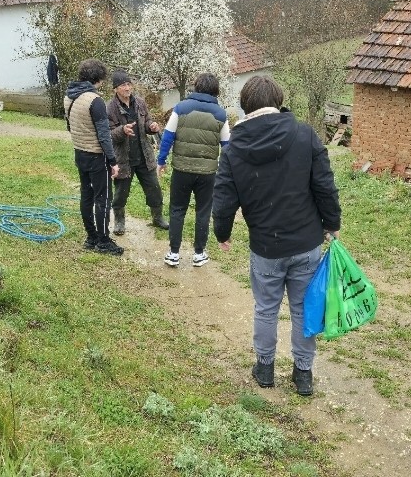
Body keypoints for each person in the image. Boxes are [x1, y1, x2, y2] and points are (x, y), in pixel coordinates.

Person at [212, 76, 341, 396]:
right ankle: (303, 373)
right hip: (306, 242)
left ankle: (265, 368)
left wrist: (222, 232)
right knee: (303, 308)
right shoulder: (304, 135)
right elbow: (324, 185)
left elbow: (224, 197)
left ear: (245, 105)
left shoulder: (234, 148)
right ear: (278, 101)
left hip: (266, 246)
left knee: (266, 309)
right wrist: (332, 223)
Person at [156, 73, 230, 268]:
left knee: (177, 209)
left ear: (196, 87)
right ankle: (199, 253)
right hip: (208, 174)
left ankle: (173, 253)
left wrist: (161, 161)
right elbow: (227, 146)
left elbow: (167, 136)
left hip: (182, 170)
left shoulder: (180, 108)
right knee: (203, 212)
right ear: (216, 90)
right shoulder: (221, 114)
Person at [64, 59, 124, 256]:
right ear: (98, 78)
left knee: (86, 195)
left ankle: (91, 237)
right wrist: (113, 161)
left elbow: (70, 126)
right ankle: (103, 241)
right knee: (102, 198)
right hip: (96, 156)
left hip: (79, 152)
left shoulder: (69, 96)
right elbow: (104, 135)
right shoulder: (95, 100)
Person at [106, 70, 169, 235]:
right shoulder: (110, 108)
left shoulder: (140, 102)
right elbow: (109, 134)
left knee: (154, 189)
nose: (127, 88)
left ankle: (157, 218)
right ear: (115, 89)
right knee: (120, 193)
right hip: (123, 158)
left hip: (144, 156)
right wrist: (122, 130)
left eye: (129, 84)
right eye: (123, 85)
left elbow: (147, 121)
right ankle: (119, 221)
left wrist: (151, 126)